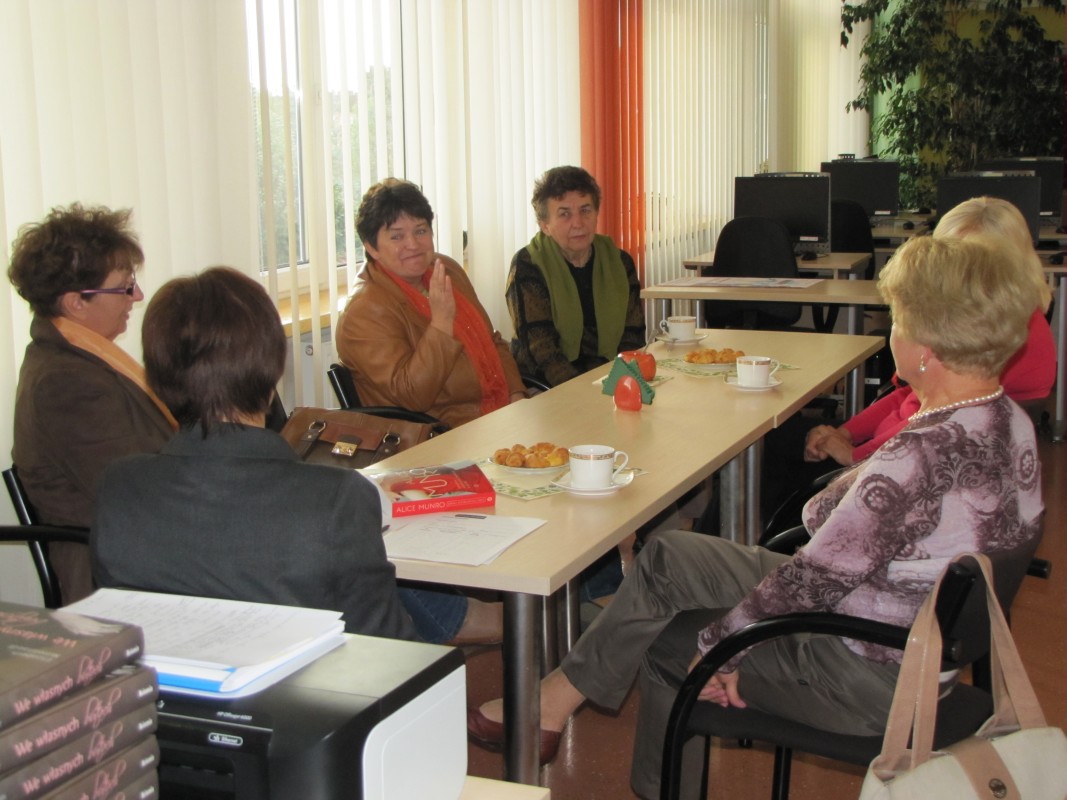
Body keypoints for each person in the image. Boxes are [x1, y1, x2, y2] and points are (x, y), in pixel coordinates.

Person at [468, 234, 1044, 798]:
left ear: (925, 347)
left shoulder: (919, 455)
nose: (892, 329)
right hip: (896, 629)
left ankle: (644, 779)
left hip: (865, 671)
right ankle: (554, 704)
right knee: (666, 558)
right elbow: (846, 540)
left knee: (671, 642)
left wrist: (721, 646)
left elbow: (813, 579)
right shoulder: (1008, 423)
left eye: (897, 318)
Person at [90, 267, 420, 640]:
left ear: (157, 378)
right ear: (273, 369)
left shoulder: (119, 486)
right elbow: (388, 645)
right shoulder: (337, 497)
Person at [762, 196, 1056, 518]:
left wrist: (854, 454)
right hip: (893, 450)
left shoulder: (1002, 335)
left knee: (775, 447)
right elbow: (907, 397)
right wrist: (846, 432)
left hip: (900, 469)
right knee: (782, 439)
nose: (951, 271)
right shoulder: (966, 326)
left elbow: (930, 431)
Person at [9, 203, 177, 604]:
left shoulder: (83, 358)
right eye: (124, 287)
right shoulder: (64, 384)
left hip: (144, 547)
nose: (137, 296)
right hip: (114, 574)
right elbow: (137, 494)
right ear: (75, 303)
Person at [336, 179, 527, 430]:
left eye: (420, 231)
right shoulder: (364, 311)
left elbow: (492, 340)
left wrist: (517, 394)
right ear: (372, 247)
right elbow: (413, 396)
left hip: (498, 414)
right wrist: (441, 324)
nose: (413, 244)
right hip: (441, 434)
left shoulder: (446, 269)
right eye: (397, 236)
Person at [506, 165, 646, 388]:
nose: (578, 223)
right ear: (545, 226)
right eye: (564, 214)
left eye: (585, 210)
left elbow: (632, 336)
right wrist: (581, 391)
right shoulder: (528, 265)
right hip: (547, 386)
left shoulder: (619, 262)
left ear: (596, 214)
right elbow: (541, 350)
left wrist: (622, 381)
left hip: (608, 379)